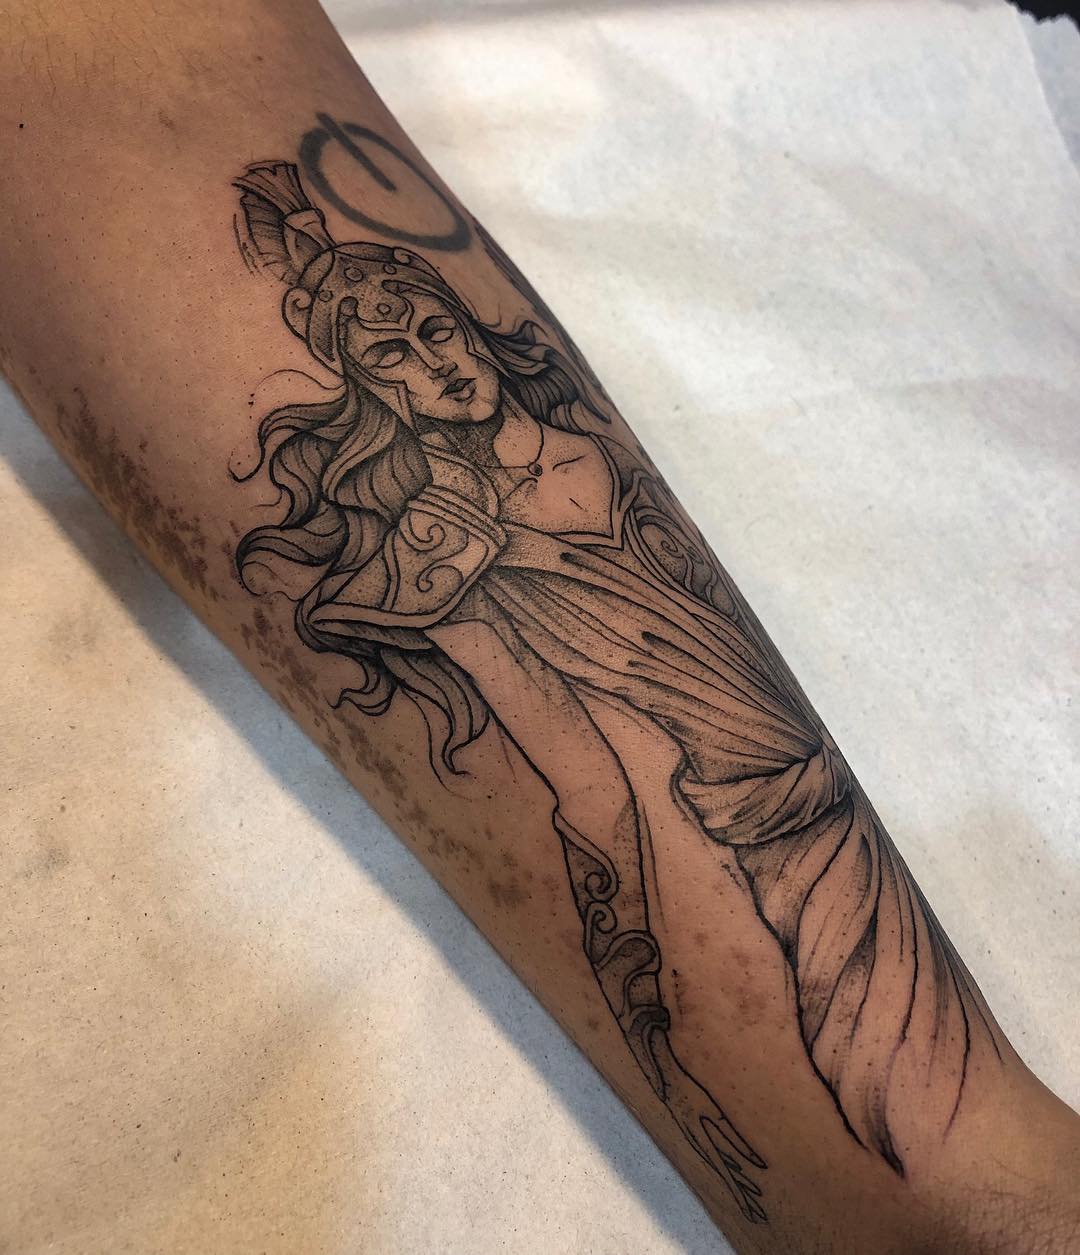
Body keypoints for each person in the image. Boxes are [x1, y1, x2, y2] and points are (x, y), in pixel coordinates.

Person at [1, 4, 1077, 1252]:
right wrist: (650, 977)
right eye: (395, 361)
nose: (436, 363)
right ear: (374, 398)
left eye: (435, 330)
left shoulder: (571, 445)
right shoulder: (449, 545)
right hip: (762, 837)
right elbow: (585, 778)